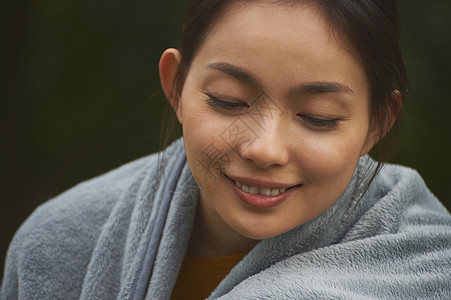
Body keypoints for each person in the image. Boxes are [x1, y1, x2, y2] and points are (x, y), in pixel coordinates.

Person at [1, 0, 451, 299]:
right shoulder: (56, 244)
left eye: (318, 116)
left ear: (377, 122)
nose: (264, 149)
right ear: (175, 86)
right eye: (228, 101)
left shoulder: (431, 268)